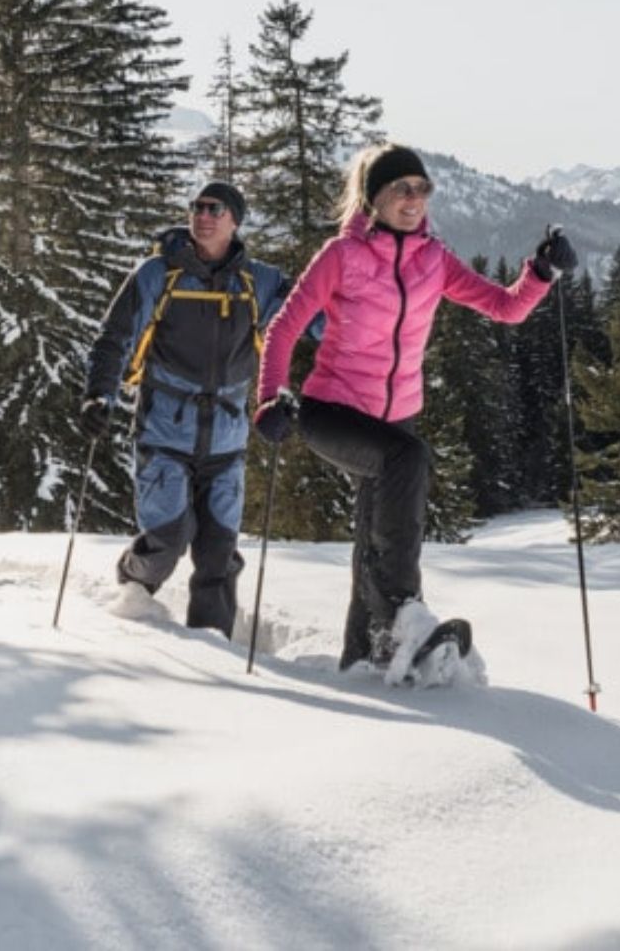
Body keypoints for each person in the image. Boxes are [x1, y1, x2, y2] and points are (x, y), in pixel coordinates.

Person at [254, 143, 576, 674]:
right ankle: (404, 612)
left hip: (394, 418)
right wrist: (271, 396)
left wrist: (540, 273)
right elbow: (284, 327)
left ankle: (365, 658)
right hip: (330, 410)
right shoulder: (341, 256)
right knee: (408, 460)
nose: (413, 199)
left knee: (375, 537)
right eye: (401, 189)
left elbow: (503, 306)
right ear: (373, 198)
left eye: (422, 189)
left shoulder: (433, 259)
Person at [83, 180, 290, 636]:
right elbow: (114, 338)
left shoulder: (261, 282)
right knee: (168, 538)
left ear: (235, 220)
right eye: (198, 206)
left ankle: (212, 645)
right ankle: (132, 583)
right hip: (164, 433)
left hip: (227, 437)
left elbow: (309, 321)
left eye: (216, 209)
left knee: (219, 551)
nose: (204, 214)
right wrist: (100, 393)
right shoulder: (158, 274)